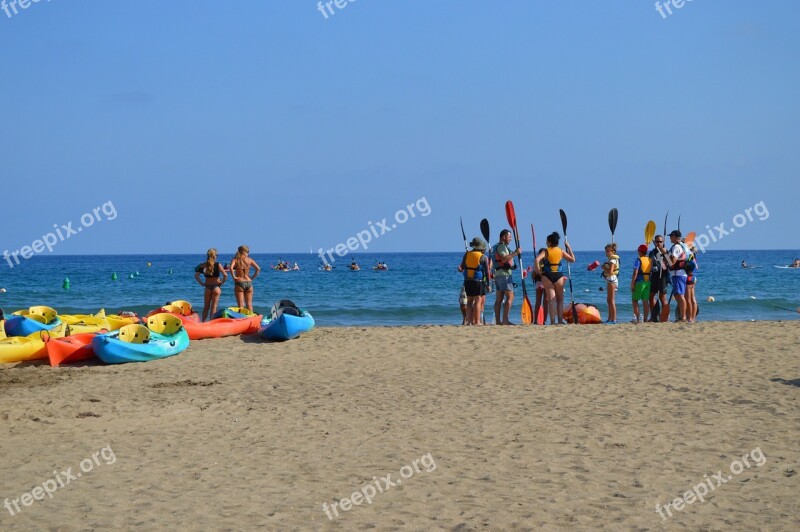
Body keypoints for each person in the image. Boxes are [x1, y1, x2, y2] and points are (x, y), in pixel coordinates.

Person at [534, 232, 576, 325]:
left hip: (547, 276)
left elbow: (537, 260)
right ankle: (560, 320)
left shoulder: (545, 251)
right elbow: (573, 260)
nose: (546, 242)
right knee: (560, 300)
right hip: (558, 276)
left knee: (551, 300)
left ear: (549, 242)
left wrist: (538, 271)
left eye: (546, 241)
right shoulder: (561, 251)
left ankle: (553, 321)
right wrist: (569, 247)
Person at [658, 230, 690, 322]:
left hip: (678, 274)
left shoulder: (676, 247)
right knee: (678, 295)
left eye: (671, 236)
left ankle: (683, 317)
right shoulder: (682, 246)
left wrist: (665, 253)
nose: (669, 238)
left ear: (675, 237)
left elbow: (672, 263)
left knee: (679, 295)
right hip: (680, 274)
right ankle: (682, 316)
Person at [458, 237, 490, 325]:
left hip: (467, 281)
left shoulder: (467, 254)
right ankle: (477, 321)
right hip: (478, 281)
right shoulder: (483, 257)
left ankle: (469, 321)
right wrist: (488, 284)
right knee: (478, 300)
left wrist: (460, 269)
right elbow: (487, 272)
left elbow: (462, 267)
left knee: (469, 301)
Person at [492, 230, 522, 325]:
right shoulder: (501, 246)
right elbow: (504, 258)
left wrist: (515, 251)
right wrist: (515, 253)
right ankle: (505, 320)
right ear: (504, 237)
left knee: (499, 299)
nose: (511, 239)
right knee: (510, 297)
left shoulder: (496, 246)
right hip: (504, 275)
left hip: (498, 275)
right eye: (509, 237)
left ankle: (498, 321)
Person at [194, 248, 227, 321]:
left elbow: (196, 276)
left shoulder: (203, 265)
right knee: (214, 307)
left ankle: (203, 323)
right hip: (216, 287)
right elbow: (225, 275)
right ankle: (212, 323)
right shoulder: (218, 265)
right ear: (215, 256)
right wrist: (222, 282)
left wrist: (202, 283)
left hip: (207, 287)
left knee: (206, 307)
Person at [648, 235, 671, 322]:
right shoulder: (652, 252)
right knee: (651, 296)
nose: (659, 243)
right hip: (654, 276)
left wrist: (664, 254)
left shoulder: (666, 251)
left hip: (663, 277)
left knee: (662, 297)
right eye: (657, 242)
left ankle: (665, 317)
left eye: (660, 242)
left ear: (663, 242)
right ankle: (654, 316)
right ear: (654, 242)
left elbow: (670, 263)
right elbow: (649, 263)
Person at [231, 245, 260, 312]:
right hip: (249, 282)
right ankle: (251, 320)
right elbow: (258, 269)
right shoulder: (250, 260)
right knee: (249, 304)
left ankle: (242, 319)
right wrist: (252, 278)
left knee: (241, 305)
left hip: (239, 282)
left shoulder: (235, 259)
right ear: (245, 252)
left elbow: (231, 268)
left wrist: (234, 277)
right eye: (248, 251)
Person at [630, 244, 651, 324]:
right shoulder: (650, 259)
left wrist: (632, 283)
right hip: (647, 282)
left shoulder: (638, 260)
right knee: (645, 301)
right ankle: (645, 319)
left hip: (639, 282)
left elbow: (635, 272)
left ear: (639, 251)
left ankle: (637, 318)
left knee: (635, 300)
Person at [601, 243, 620, 324]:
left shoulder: (612, 260)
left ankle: (613, 319)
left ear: (613, 251)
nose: (606, 253)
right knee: (608, 300)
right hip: (610, 281)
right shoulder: (610, 259)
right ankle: (609, 318)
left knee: (611, 301)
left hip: (612, 281)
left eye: (608, 251)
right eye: (606, 251)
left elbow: (611, 272)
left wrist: (604, 268)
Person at [533, 248, 549, 325]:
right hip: (545, 283)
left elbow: (533, 276)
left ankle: (535, 320)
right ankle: (544, 320)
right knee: (546, 302)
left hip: (539, 283)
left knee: (538, 302)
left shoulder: (537, 262)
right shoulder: (547, 262)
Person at [686, 243, 699, 322]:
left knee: (688, 299)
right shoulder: (694, 258)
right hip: (694, 277)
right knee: (693, 298)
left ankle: (690, 317)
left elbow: (688, 266)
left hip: (690, 277)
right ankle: (693, 317)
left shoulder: (690, 257)